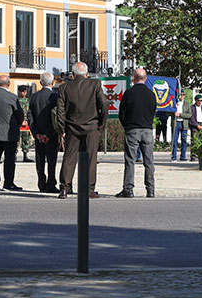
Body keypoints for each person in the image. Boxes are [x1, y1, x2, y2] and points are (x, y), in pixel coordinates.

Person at [55, 61, 107, 199]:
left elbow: (60, 111)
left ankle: (64, 188)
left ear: (72, 74)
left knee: (69, 157)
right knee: (90, 159)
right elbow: (104, 103)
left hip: (72, 126)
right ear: (87, 74)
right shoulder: (95, 84)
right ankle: (88, 189)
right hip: (91, 126)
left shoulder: (64, 87)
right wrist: (101, 122)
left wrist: (61, 128)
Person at [116, 67, 157, 198]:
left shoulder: (129, 93)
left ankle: (128, 189)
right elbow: (153, 111)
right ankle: (150, 189)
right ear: (145, 78)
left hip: (132, 129)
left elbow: (122, 113)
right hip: (147, 130)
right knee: (149, 161)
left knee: (130, 160)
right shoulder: (151, 94)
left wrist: (126, 125)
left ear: (134, 78)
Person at [0, 74, 25, 191]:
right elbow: (19, 114)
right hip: (9, 132)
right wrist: (19, 123)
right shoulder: (12, 97)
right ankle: (8, 183)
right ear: (8, 84)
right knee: (9, 159)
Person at [28, 72, 60, 193]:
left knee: (40, 161)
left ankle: (41, 183)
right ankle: (51, 183)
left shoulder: (34, 96)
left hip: (38, 135)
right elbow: (56, 118)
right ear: (53, 82)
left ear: (41, 83)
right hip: (51, 135)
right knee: (51, 161)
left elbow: (30, 116)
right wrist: (48, 134)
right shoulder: (55, 97)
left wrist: (37, 133)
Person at [171, 93, 191, 162]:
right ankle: (173, 157)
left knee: (184, 140)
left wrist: (180, 114)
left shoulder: (187, 104)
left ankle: (183, 156)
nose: (182, 96)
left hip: (184, 124)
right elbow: (168, 113)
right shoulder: (174, 103)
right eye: (180, 95)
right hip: (176, 123)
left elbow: (189, 115)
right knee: (174, 141)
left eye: (183, 95)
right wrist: (173, 109)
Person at [17, 85, 33, 163]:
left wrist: (28, 121)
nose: (24, 93)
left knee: (26, 140)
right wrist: (21, 121)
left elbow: (30, 111)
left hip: (26, 124)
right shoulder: (16, 101)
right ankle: (14, 155)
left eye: (25, 91)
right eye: (23, 91)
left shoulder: (28, 101)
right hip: (18, 124)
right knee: (17, 140)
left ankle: (25, 155)